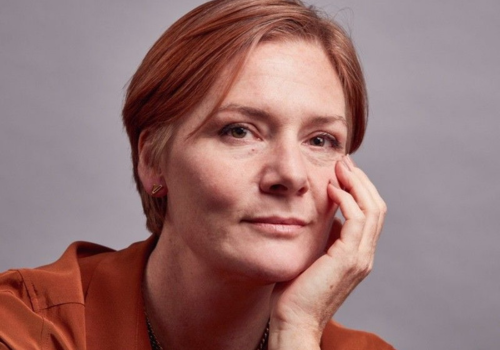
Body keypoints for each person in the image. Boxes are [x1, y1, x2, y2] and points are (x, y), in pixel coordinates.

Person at [0, 0, 392, 349]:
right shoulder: (23, 327)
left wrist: (297, 333)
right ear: (153, 159)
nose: (290, 174)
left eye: (320, 140)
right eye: (239, 131)